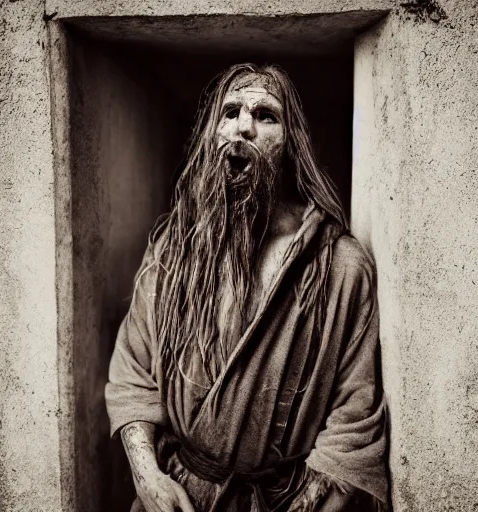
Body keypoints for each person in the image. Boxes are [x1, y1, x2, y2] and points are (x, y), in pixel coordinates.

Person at [105, 63, 388, 512]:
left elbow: (354, 418)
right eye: (230, 111)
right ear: (211, 134)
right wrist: (149, 479)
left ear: (291, 143)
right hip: (181, 497)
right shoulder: (174, 250)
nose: (243, 127)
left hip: (284, 501)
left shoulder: (338, 264)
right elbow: (132, 375)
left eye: (266, 115)